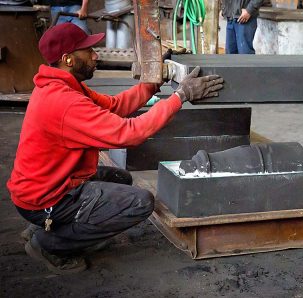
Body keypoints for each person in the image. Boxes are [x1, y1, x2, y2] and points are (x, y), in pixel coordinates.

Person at [7, 23, 223, 274]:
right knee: (140, 203)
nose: (95, 55)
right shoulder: (63, 102)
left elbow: (115, 106)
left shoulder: (63, 84)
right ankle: (49, 243)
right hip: (45, 198)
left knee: (121, 179)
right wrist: (180, 96)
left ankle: (52, 225)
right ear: (67, 59)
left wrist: (153, 81)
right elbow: (129, 133)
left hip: (46, 186)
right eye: (88, 50)